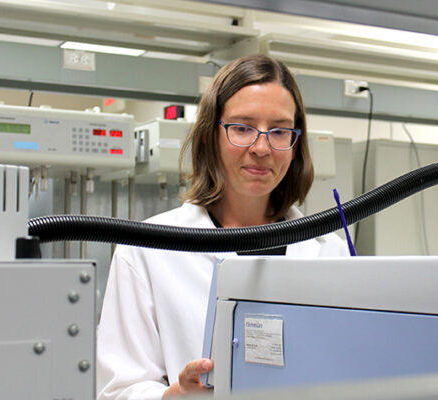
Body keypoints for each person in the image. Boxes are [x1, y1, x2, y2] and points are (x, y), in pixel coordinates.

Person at [96, 54, 349, 399]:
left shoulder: (330, 252)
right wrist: (175, 396)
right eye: (242, 128)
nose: (261, 148)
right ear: (209, 137)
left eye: (279, 131)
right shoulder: (147, 249)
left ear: (295, 145)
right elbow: (117, 390)